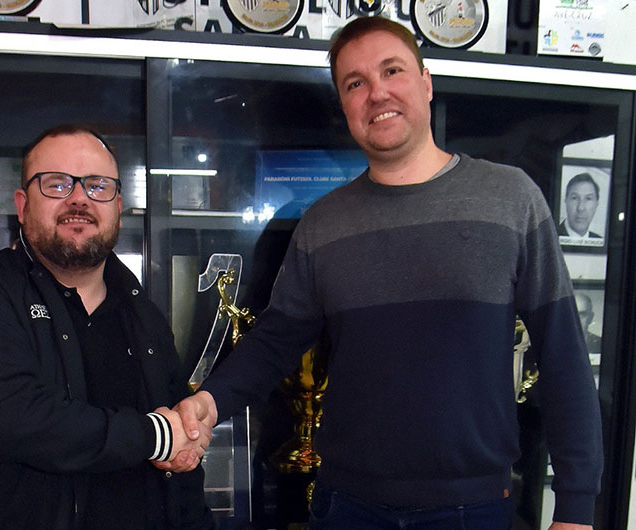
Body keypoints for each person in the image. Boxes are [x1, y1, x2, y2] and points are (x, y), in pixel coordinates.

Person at [166, 16, 603, 530]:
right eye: (356, 83)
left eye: (392, 71)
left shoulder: (511, 199)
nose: (377, 93)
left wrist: (576, 508)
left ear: (426, 82)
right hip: (347, 507)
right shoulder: (323, 224)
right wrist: (209, 401)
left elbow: (563, 356)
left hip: (472, 509)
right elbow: (274, 341)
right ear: (345, 105)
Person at [0, 124, 215, 530]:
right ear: (22, 205)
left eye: (98, 186)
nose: (79, 198)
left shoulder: (142, 313)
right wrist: (156, 436)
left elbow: (183, 461)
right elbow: (12, 420)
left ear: (118, 207)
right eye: (57, 184)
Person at [558, 172, 602, 239]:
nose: (580, 208)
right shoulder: (551, 237)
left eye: (588, 198)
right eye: (575, 198)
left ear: (596, 204)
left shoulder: (599, 239)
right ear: (566, 201)